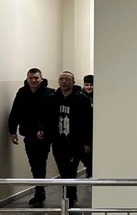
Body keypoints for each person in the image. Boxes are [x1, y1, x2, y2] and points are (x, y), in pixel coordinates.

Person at [42, 71, 93, 206]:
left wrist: (87, 142)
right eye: (61, 79)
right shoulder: (52, 99)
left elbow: (88, 122)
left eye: (67, 79)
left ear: (73, 82)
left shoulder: (82, 100)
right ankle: (68, 194)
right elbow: (47, 119)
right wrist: (45, 134)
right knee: (63, 169)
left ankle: (70, 196)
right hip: (58, 142)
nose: (64, 81)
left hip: (76, 142)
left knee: (71, 170)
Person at [7, 68, 54, 207]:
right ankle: (39, 191)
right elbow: (15, 112)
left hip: (44, 135)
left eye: (36, 78)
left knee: (40, 163)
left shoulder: (50, 93)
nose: (33, 80)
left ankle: (39, 193)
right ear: (27, 79)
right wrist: (12, 131)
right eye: (31, 78)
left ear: (41, 78)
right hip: (28, 133)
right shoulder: (22, 93)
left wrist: (44, 129)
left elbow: (51, 115)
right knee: (34, 164)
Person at [82, 74, 94, 178]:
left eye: (91, 84)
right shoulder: (80, 97)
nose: (89, 87)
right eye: (87, 84)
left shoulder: (99, 96)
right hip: (83, 131)